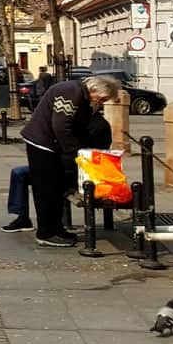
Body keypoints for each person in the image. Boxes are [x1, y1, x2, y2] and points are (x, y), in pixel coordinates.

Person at [20, 74, 123, 246]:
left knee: (56, 187)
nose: (101, 102)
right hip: (42, 143)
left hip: (50, 144)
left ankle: (56, 228)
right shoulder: (71, 92)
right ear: (95, 89)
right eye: (102, 98)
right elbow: (61, 126)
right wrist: (77, 153)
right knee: (46, 189)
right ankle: (46, 232)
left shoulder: (79, 93)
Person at [4, 95, 107, 232]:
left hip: (74, 171)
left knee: (27, 174)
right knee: (19, 173)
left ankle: (48, 226)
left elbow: (92, 155)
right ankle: (22, 217)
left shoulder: (98, 126)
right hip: (61, 163)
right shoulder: (77, 120)